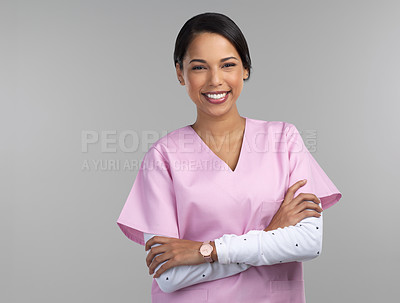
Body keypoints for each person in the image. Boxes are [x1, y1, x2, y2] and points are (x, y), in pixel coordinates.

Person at [116, 12, 342, 303]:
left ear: (245, 69)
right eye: (199, 67)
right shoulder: (163, 157)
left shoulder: (284, 140)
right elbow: (169, 275)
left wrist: (205, 251)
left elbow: (307, 242)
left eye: (228, 65)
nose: (215, 80)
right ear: (179, 72)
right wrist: (272, 233)